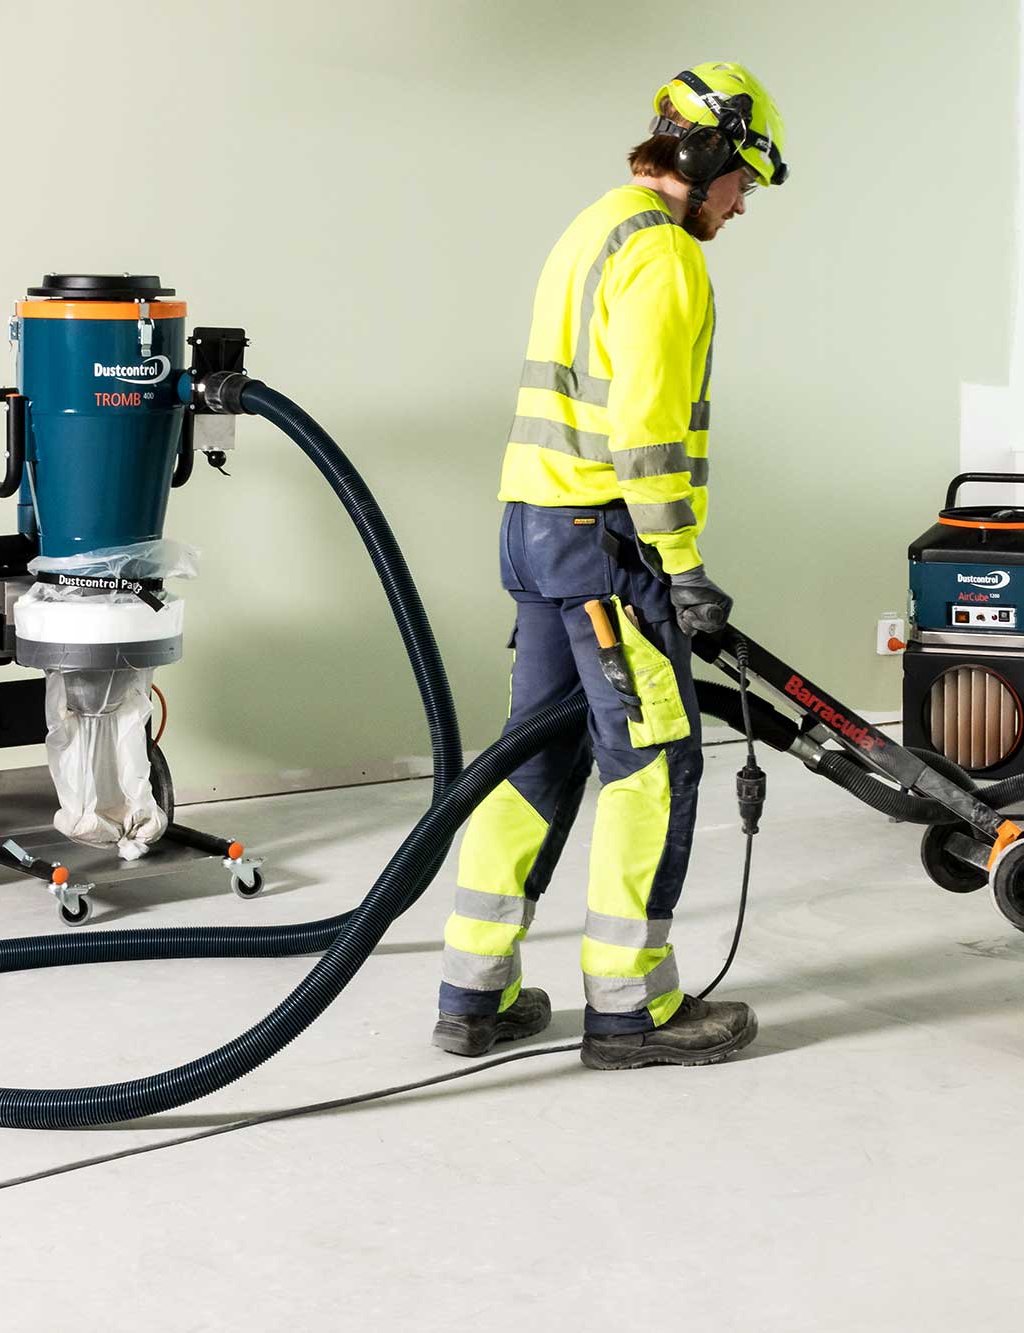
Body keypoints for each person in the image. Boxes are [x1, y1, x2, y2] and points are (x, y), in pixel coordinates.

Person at [432, 62, 790, 1071]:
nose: (741, 205)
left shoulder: (594, 223)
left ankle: (475, 986)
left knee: (535, 754)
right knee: (655, 760)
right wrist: (679, 563)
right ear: (710, 156)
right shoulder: (669, 259)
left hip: (533, 523)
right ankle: (632, 1007)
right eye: (743, 181)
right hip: (604, 540)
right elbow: (642, 433)